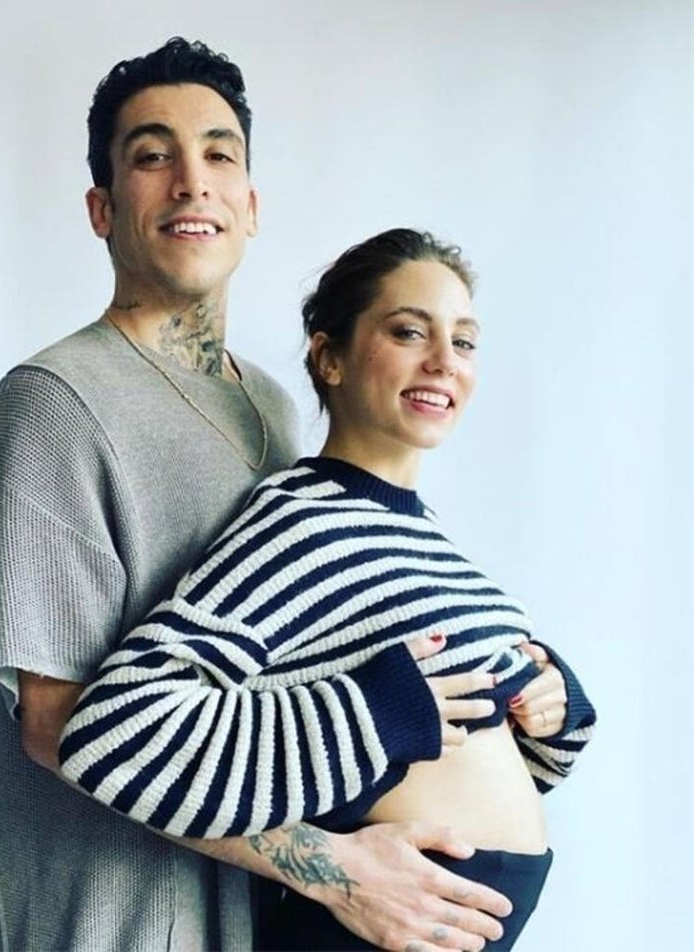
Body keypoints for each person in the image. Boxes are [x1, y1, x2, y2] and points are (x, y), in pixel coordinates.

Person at [0, 39, 514, 952]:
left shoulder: (273, 408)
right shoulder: (54, 404)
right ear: (103, 208)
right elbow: (56, 724)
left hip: (265, 921)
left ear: (251, 205)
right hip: (120, 924)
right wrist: (334, 868)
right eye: (153, 156)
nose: (193, 182)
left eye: (219, 155)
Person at [58, 227, 597, 951]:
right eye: (409, 331)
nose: (444, 361)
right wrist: (372, 712)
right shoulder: (303, 520)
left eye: (464, 341)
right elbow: (111, 734)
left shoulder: (426, 539)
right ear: (330, 357)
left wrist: (554, 707)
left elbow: (491, 760)